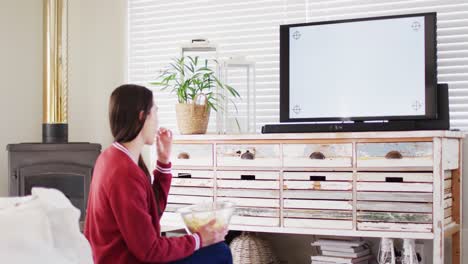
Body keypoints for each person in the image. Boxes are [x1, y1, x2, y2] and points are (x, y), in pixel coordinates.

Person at [84, 84, 232, 264]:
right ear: (141, 116)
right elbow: (150, 250)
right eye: (155, 112)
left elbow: (151, 214)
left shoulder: (112, 157)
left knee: (214, 249)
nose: (157, 121)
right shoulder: (123, 172)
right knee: (220, 252)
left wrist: (163, 161)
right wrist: (199, 239)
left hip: (123, 257)